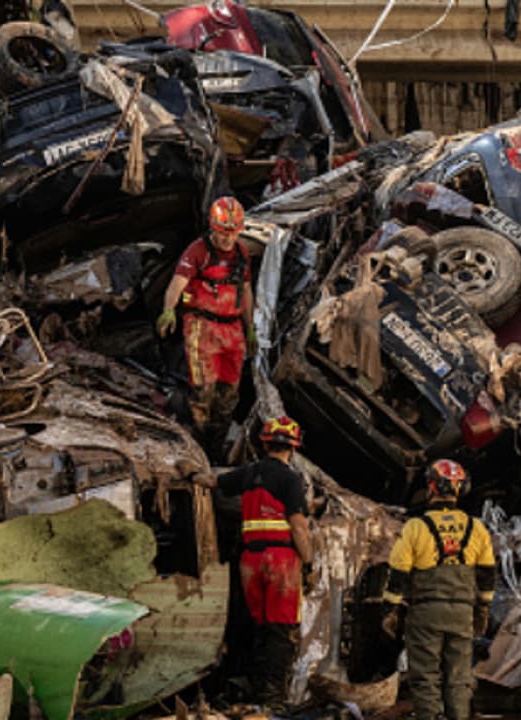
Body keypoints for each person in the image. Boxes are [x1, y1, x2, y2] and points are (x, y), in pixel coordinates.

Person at [200, 416, 314, 711]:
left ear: (264, 443)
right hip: (281, 562)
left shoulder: (248, 473)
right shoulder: (291, 479)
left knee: (258, 626)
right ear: (293, 448)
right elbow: (299, 527)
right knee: (281, 630)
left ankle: (251, 688)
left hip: (249, 561)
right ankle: (272, 700)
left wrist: (189, 474)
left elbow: (212, 480)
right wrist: (309, 562)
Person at [382, 460, 496, 720]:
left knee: (425, 678)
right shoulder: (476, 528)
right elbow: (488, 574)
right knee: (459, 678)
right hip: (462, 614)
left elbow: (398, 573)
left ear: (431, 486)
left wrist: (390, 610)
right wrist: (482, 609)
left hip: (425, 614)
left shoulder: (415, 527)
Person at [157, 196, 257, 443]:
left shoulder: (242, 253)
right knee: (203, 388)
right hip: (202, 326)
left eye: (233, 233)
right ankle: (198, 437)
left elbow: (245, 291)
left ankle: (218, 437)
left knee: (229, 389)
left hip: (232, 328)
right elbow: (176, 285)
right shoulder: (197, 251)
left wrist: (251, 327)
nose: (228, 239)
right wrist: (169, 310)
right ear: (213, 228)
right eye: (223, 233)